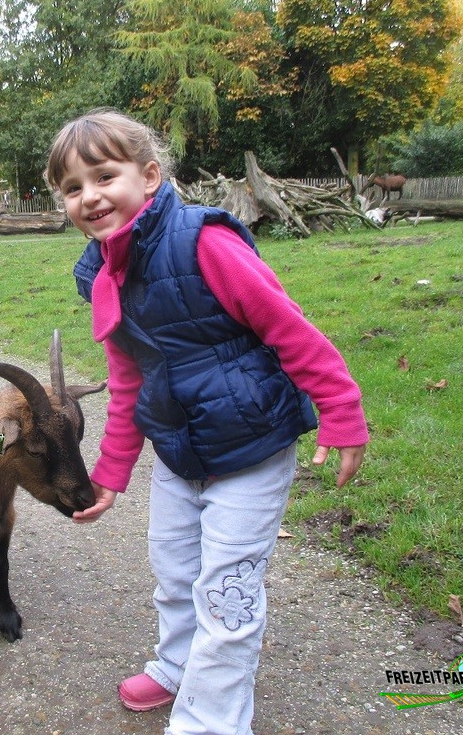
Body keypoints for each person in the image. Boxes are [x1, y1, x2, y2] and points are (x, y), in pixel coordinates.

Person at [45, 109, 368, 735]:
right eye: (72, 187)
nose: (90, 196)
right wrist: (111, 473)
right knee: (173, 570)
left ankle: (211, 722)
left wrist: (341, 410)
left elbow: (287, 327)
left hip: (251, 448)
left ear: (149, 175)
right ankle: (176, 664)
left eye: (104, 176)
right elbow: (129, 381)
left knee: (227, 593)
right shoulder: (102, 274)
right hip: (177, 453)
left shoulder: (203, 241)